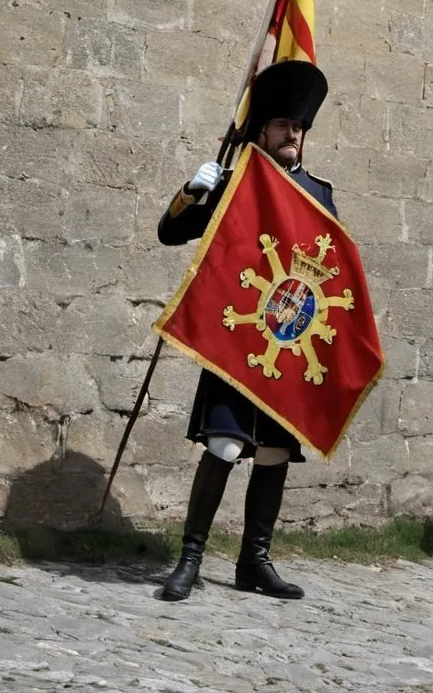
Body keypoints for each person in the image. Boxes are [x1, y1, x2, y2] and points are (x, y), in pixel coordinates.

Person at [156, 59, 334, 603]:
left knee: (276, 454)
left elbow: (328, 272)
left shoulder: (320, 195)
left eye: (298, 128)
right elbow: (170, 233)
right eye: (282, 126)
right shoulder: (233, 184)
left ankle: (253, 562)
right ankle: (189, 559)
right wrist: (193, 191)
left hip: (286, 345)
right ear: (261, 131)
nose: (293, 135)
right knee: (226, 446)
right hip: (238, 341)